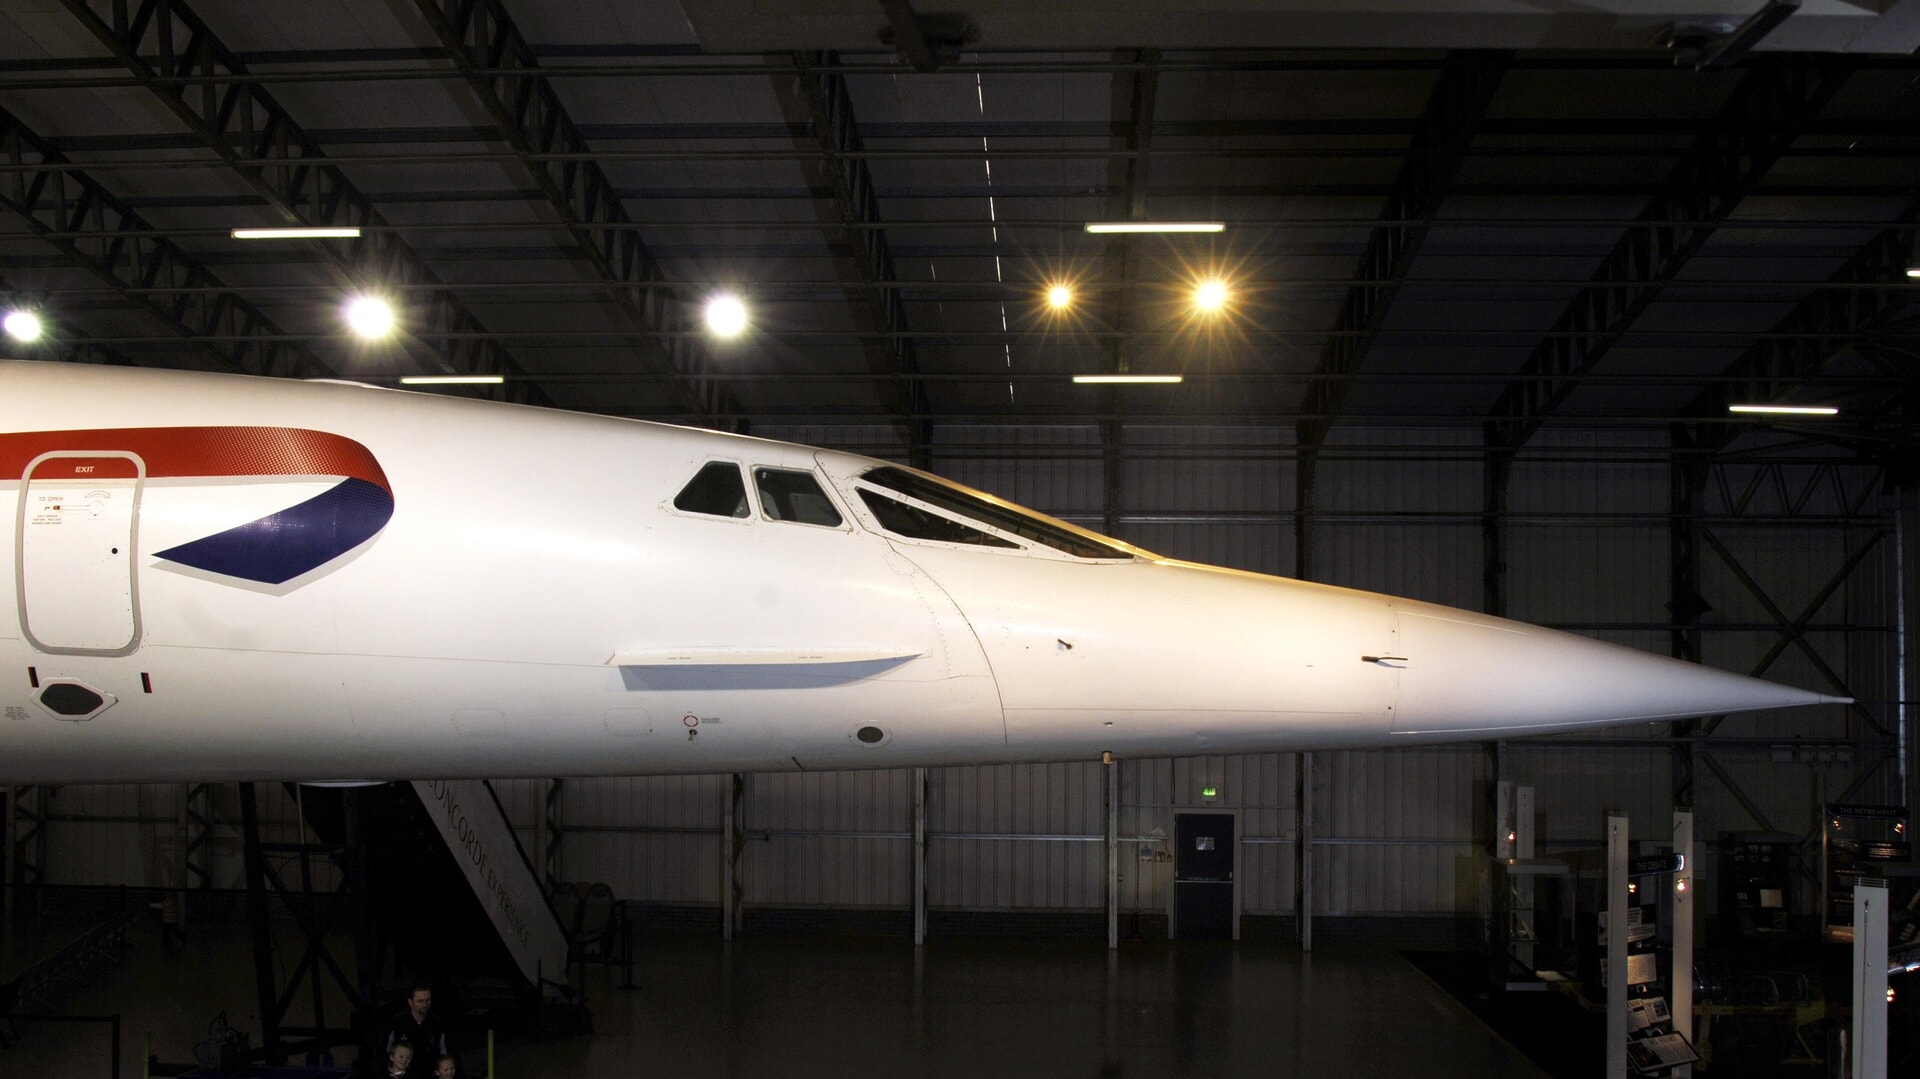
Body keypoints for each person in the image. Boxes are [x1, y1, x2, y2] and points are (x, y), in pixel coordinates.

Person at [384, 984, 447, 1077]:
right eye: (420, 1001)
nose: (425, 1005)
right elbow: (384, 1053)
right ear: (410, 1002)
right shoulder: (396, 1023)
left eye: (428, 1000)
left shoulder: (436, 1023)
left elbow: (445, 1055)